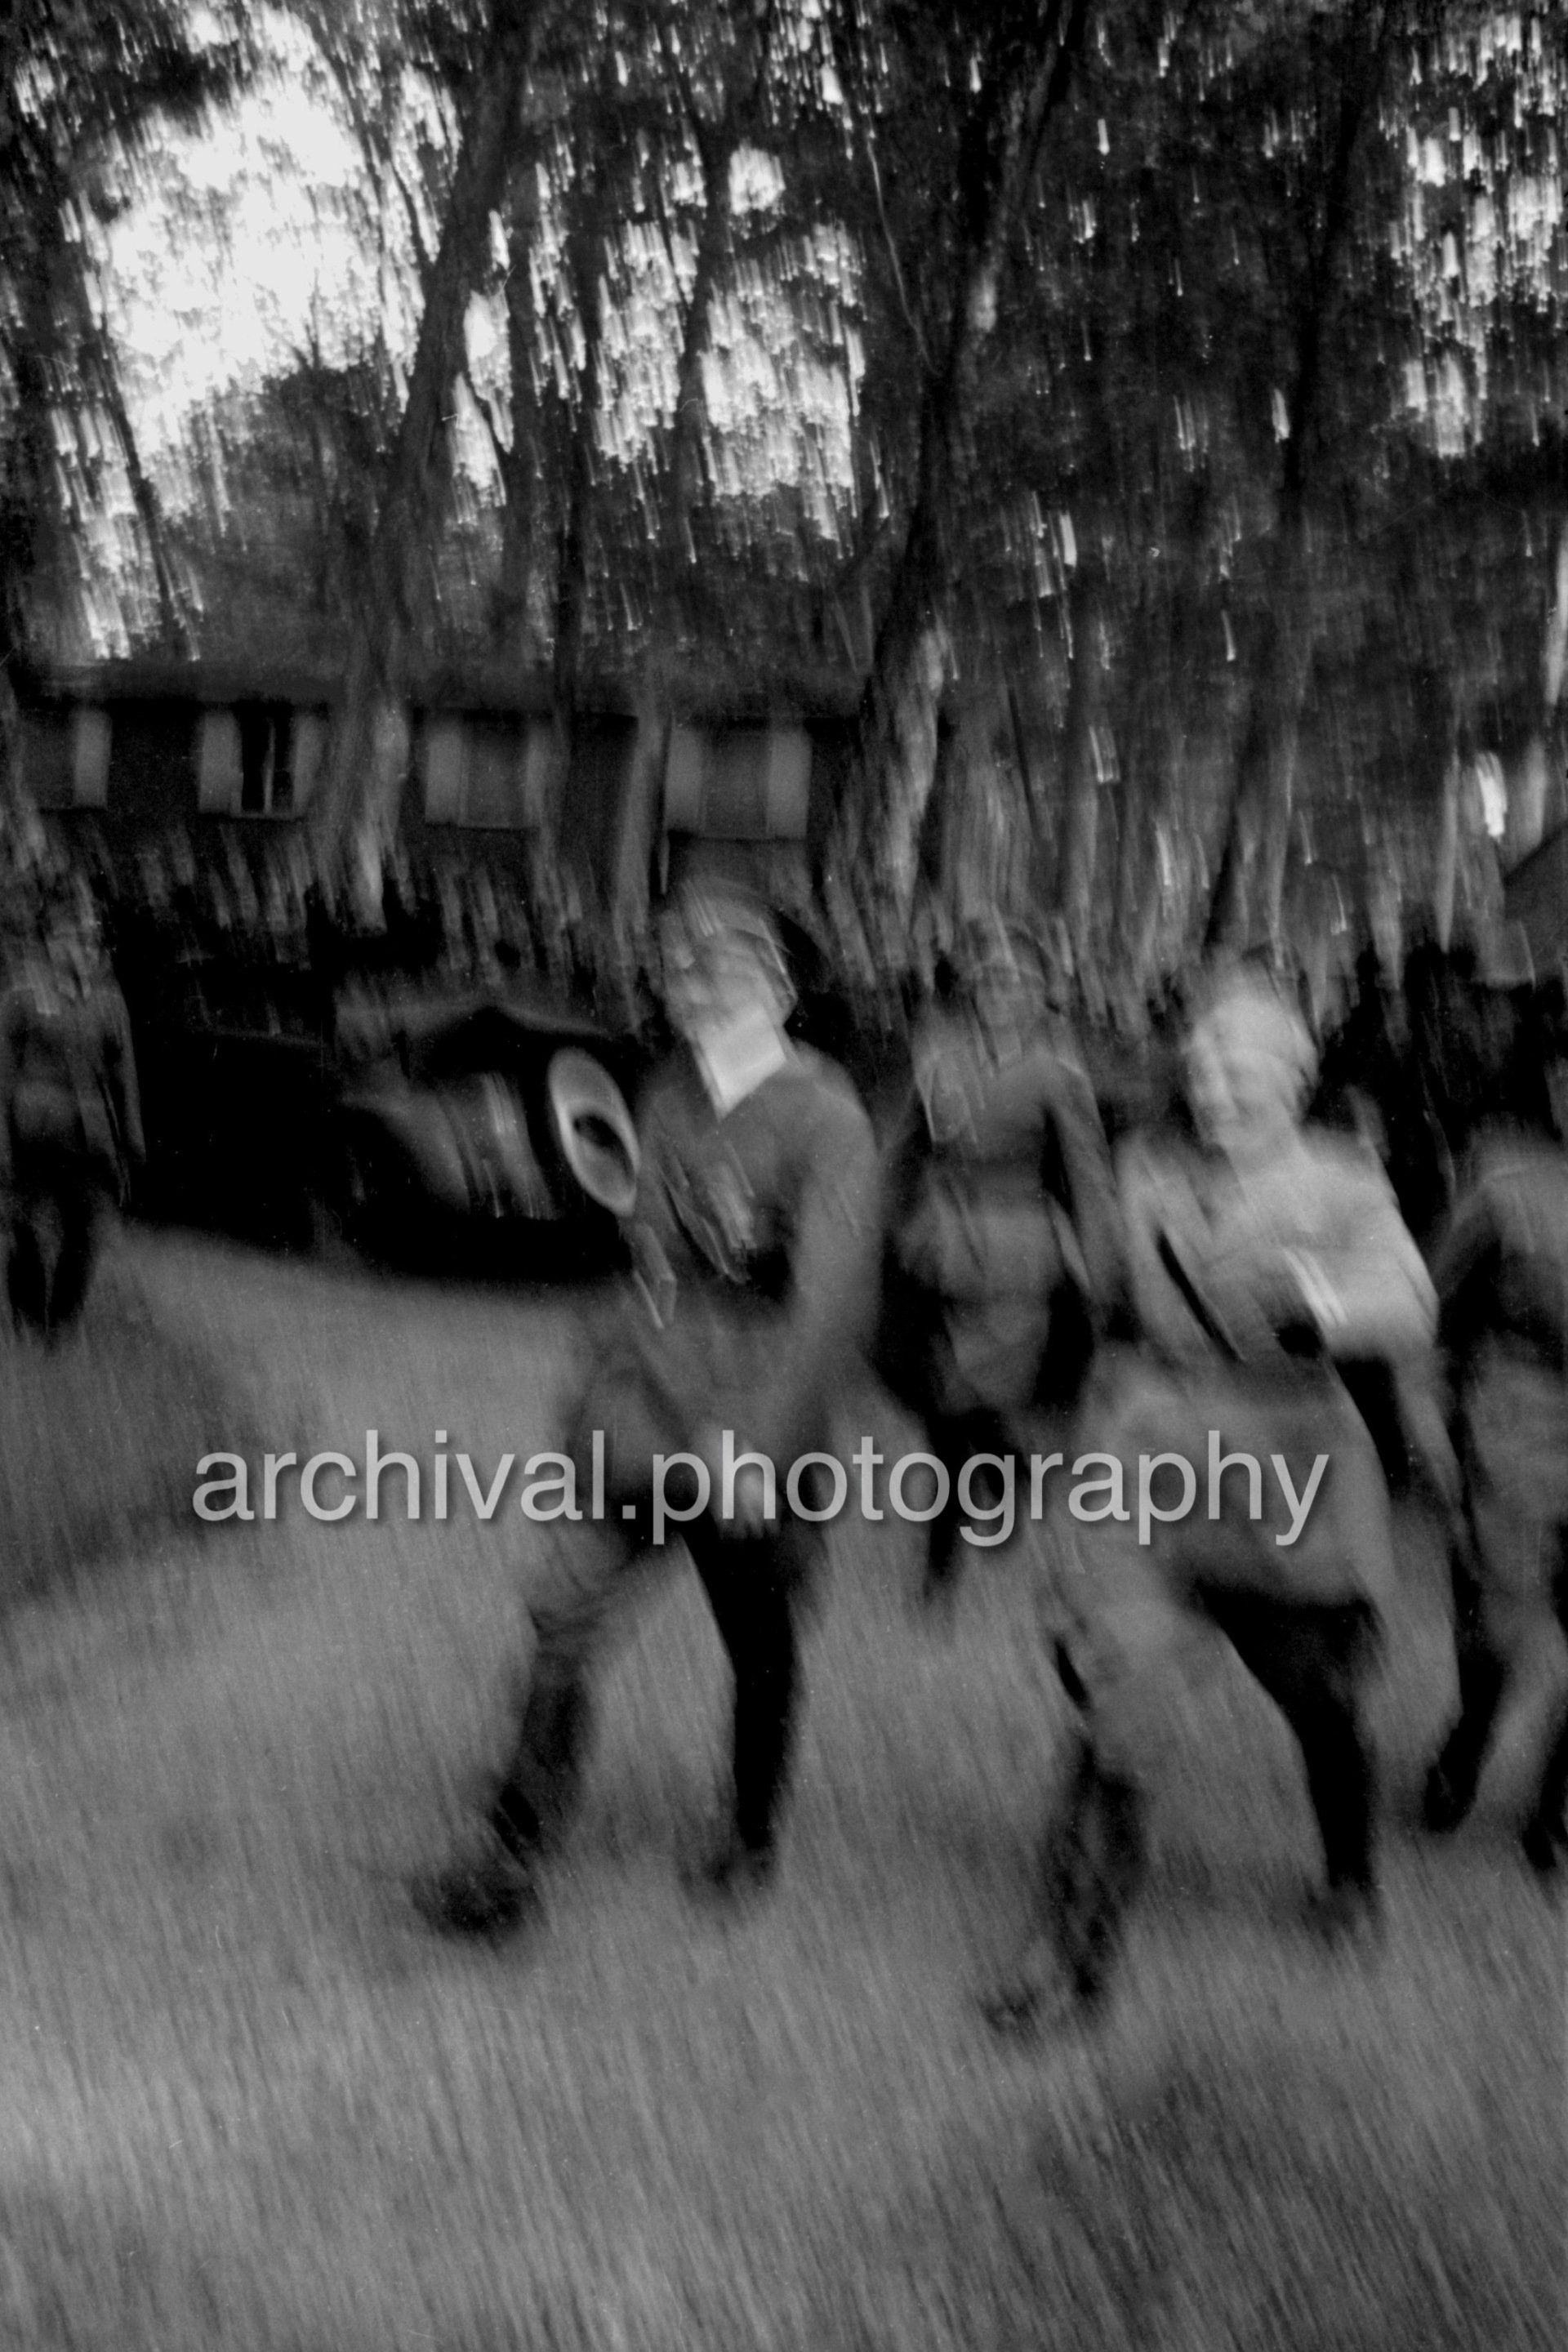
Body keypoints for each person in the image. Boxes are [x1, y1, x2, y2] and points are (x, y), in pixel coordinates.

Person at [421, 879, 883, 1938]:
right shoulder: (670, 1089)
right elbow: (650, 1259)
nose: (688, 981)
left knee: (758, 1636)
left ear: (779, 986)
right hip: (644, 1414)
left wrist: (758, 1441)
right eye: (674, 962)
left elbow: (831, 1308)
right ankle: (511, 1851)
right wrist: (603, 1379)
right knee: (561, 1612)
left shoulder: (830, 1121)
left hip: (748, 1426)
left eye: (717, 963)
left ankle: (751, 1829)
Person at [986, 965, 1439, 2030]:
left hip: (1286, 1475)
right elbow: (1104, 1286)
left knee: (1318, 1701)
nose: (1215, 1090)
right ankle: (1067, 1958)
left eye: (1241, 1073)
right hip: (1151, 1453)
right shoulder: (1147, 1165)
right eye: (1202, 1070)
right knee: (1119, 1701)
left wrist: (1324, 1301)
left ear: (1295, 1079)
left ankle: (1349, 1876)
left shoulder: (1340, 1178)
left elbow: (1409, 1296)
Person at [878, 919, 1125, 1604]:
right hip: (935, 1239)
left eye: (1016, 980)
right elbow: (901, 1150)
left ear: (1043, 992)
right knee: (928, 1386)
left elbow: (1090, 1176)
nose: (1000, 991)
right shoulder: (937, 1057)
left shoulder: (1058, 1073)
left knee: (966, 1388)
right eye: (988, 979)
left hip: (1016, 1247)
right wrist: (864, 1222)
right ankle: (1002, 1464)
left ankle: (945, 1543)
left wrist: (1100, 1268)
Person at [1421, 1019, 1568, 1876]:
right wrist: (1430, 1411)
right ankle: (1472, 1733)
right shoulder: (1505, 1176)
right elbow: (1428, 1297)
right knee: (1499, 1613)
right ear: (1553, 1084)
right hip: (1518, 1417)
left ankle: (1558, 1797)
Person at [0, 893, 145, 1338]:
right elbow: (2, 1076)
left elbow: (124, 1076)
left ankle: (61, 1326)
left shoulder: (108, 1002)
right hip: (32, 1134)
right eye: (71, 936)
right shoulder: (22, 996)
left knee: (85, 1233)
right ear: (48, 943)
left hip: (90, 1137)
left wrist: (132, 1140)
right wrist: (2, 1142)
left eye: (90, 937)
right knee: (26, 1228)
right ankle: (27, 1321)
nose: (83, 946)